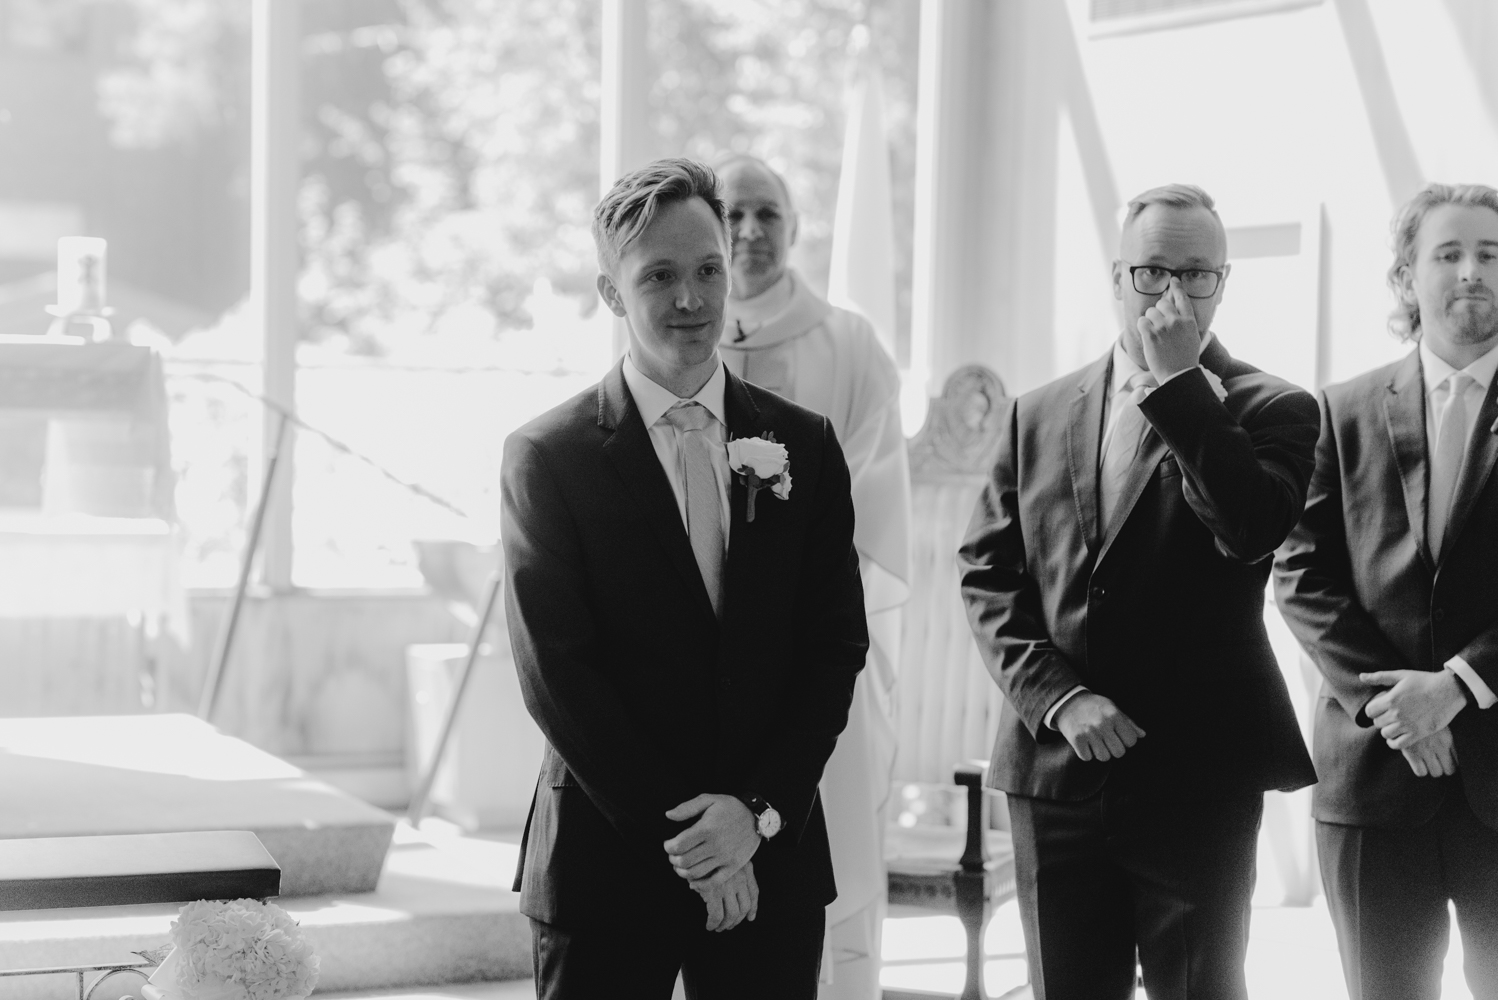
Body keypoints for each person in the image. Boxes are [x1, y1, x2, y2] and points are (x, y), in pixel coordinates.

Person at [501, 157, 869, 999]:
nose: (692, 300)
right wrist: (700, 847)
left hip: (769, 859)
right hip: (606, 862)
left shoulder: (804, 446)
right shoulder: (546, 458)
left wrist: (756, 815)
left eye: (709, 270)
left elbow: (833, 647)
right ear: (610, 292)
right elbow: (558, 676)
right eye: (659, 276)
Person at [958, 183, 1319, 1000]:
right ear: (1117, 276)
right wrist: (1058, 698)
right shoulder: (1037, 413)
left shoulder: (1278, 407)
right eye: (1153, 270)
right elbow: (987, 573)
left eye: (1197, 276)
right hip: (1056, 770)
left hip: (1198, 777)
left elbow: (1249, 529)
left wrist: (1180, 386)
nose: (1172, 295)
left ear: (1223, 286)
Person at [1274, 182, 1498, 1000]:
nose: (1471, 271)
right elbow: (1301, 573)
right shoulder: (1339, 411)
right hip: (1372, 780)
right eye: (1449, 253)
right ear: (1408, 277)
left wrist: (1461, 685)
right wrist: (1393, 708)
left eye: (1490, 253)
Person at [716, 153, 910, 1000]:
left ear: (796, 228)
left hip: (815, 647)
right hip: (702, 655)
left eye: (768, 213)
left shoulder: (849, 343)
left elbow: (869, 484)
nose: (751, 232)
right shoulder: (675, 336)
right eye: (732, 215)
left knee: (834, 855)